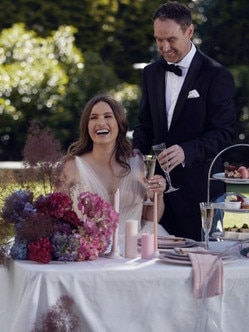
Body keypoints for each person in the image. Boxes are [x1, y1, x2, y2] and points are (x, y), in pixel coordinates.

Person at [133, 1, 236, 241]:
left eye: (171, 39)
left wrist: (186, 151)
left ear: (189, 31)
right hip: (157, 198)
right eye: (159, 40)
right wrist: (137, 153)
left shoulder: (217, 75)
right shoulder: (151, 73)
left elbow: (224, 132)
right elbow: (145, 124)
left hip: (200, 195)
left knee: (199, 269)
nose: (164, 47)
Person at [56, 95, 168, 242]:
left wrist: (158, 195)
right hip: (89, 251)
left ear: (119, 123)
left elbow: (149, 218)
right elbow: (57, 215)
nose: (101, 122)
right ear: (86, 125)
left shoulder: (138, 162)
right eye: (93, 118)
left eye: (108, 116)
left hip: (135, 247)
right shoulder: (71, 166)